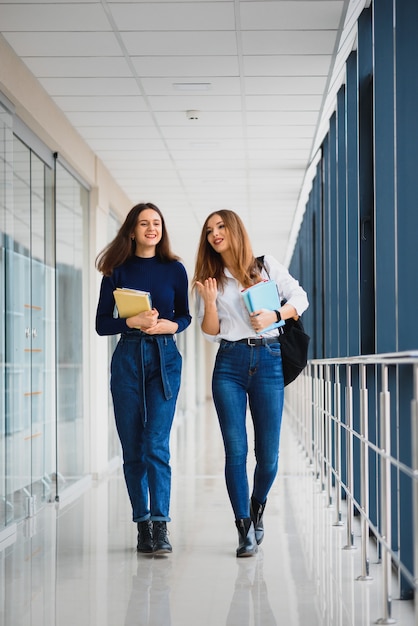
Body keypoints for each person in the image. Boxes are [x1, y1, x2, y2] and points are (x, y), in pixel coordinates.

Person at [193, 210, 308, 557]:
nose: (215, 234)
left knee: (268, 456)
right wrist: (210, 302)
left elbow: (299, 298)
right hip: (229, 362)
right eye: (210, 230)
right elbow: (210, 330)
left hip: (269, 358)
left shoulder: (266, 265)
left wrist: (276, 314)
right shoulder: (210, 278)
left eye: (221, 227)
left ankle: (257, 506)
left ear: (235, 229)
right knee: (236, 451)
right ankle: (243, 528)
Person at [95, 202, 191, 555]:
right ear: (132, 231)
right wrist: (131, 322)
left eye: (157, 223)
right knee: (133, 447)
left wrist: (170, 325)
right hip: (128, 358)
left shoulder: (174, 269)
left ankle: (161, 525)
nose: (152, 228)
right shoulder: (116, 269)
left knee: (156, 444)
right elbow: (102, 323)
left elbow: (185, 315)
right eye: (144, 223)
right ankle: (142, 525)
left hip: (164, 357)